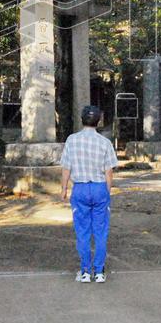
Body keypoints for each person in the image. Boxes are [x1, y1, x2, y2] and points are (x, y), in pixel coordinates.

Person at [60, 105, 118, 283]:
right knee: (100, 231)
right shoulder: (105, 142)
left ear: (81, 119)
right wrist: (107, 191)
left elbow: (66, 167)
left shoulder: (72, 140)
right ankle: (99, 272)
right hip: (100, 187)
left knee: (82, 231)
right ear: (99, 121)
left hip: (80, 188)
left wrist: (64, 189)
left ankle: (85, 272)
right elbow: (109, 171)